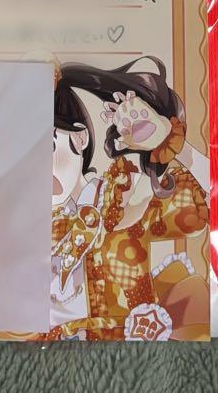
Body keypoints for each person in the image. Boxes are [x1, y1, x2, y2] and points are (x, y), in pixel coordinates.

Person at [48, 58, 209, 340]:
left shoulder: (121, 196)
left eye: (49, 146)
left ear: (81, 137)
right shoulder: (30, 228)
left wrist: (170, 144)